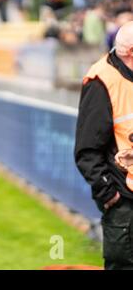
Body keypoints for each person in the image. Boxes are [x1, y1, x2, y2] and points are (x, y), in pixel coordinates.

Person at [75, 21, 133, 270]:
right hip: (126, 202)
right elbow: (87, 151)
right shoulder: (101, 82)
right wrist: (110, 194)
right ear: (131, 52)